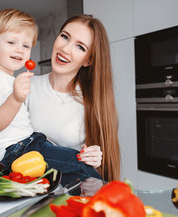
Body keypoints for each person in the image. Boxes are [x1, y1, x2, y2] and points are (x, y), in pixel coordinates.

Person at [0, 9, 101, 185]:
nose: (19, 50)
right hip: (15, 152)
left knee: (72, 169)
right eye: (11, 42)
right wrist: (15, 99)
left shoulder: (10, 80)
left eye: (26, 46)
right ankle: (111, 205)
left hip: (24, 146)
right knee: (78, 167)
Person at [27, 14, 121, 182]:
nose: (65, 49)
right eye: (65, 37)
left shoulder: (91, 102)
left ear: (88, 60)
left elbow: (97, 172)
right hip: (29, 188)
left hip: (71, 193)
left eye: (80, 47)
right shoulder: (27, 86)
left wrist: (95, 159)